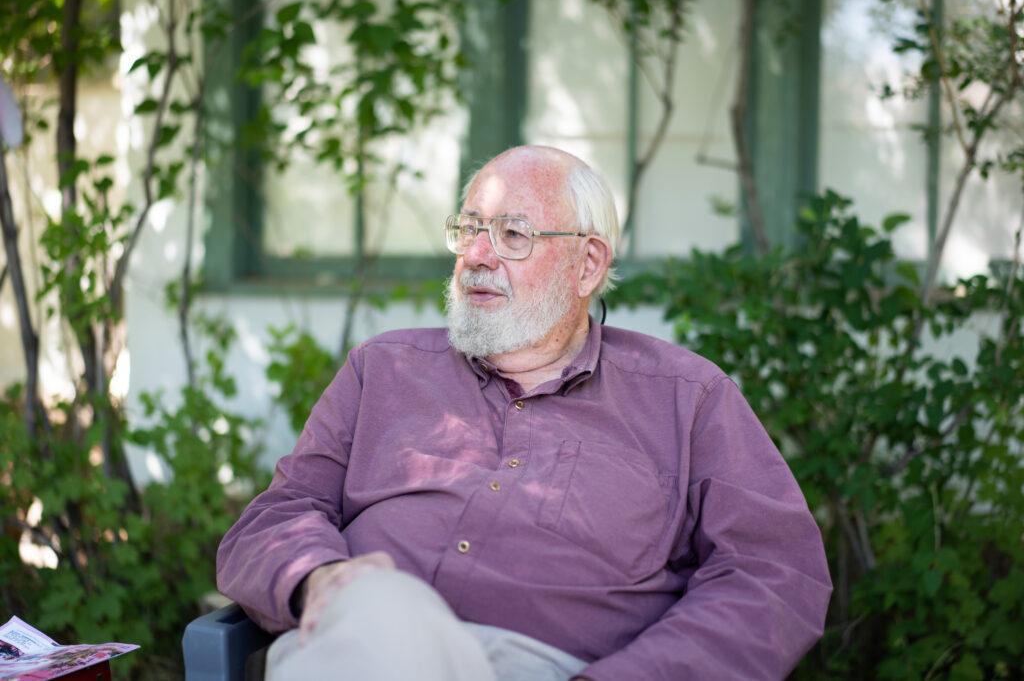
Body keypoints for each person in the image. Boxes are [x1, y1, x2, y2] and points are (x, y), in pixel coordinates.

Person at [216, 145, 832, 680]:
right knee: (382, 609)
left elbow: (773, 576)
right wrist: (318, 577)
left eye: (514, 235)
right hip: (363, 640)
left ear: (587, 265)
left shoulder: (686, 398)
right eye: (470, 230)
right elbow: (276, 519)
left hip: (549, 666)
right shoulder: (384, 369)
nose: (478, 255)